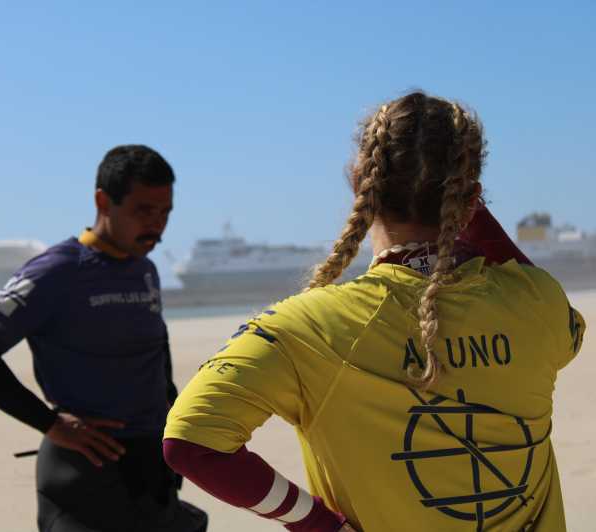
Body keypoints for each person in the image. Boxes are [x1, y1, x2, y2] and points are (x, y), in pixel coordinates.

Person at [163, 92, 586, 531]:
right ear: (471, 194)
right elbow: (559, 319)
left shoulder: (307, 328)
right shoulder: (538, 303)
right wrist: (466, 204)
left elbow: (191, 442)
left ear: (360, 183)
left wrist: (319, 524)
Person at [0, 145, 207, 532]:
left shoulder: (145, 270)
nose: (156, 225)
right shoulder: (56, 272)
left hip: (151, 472)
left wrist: (174, 426)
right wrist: (51, 423)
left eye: (165, 212)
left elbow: (156, 354)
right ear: (103, 201)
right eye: (143, 210)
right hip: (86, 475)